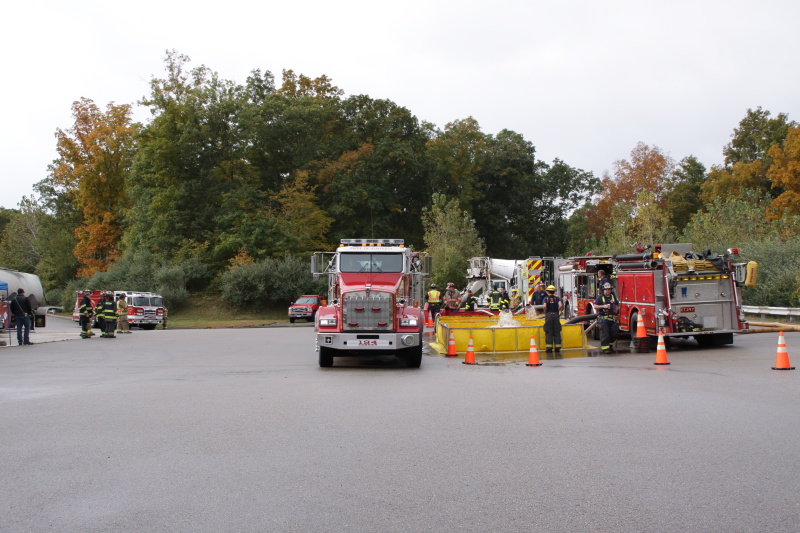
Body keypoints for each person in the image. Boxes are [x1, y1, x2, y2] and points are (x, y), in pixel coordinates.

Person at [594, 282, 619, 354]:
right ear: (603, 290)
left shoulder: (613, 297)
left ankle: (610, 346)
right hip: (604, 319)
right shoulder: (600, 297)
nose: (607, 291)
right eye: (606, 289)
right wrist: (603, 306)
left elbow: (617, 305)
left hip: (613, 318)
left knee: (614, 333)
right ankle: (605, 348)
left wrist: (617, 311)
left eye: (609, 289)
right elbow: (595, 306)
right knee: (605, 334)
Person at [542, 285, 563, 353]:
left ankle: (549, 348)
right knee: (557, 331)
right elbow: (560, 305)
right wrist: (557, 310)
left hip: (548, 315)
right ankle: (557, 347)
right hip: (556, 315)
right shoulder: (557, 298)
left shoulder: (546, 298)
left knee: (549, 331)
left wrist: (545, 312)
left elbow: (545, 306)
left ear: (547, 291)